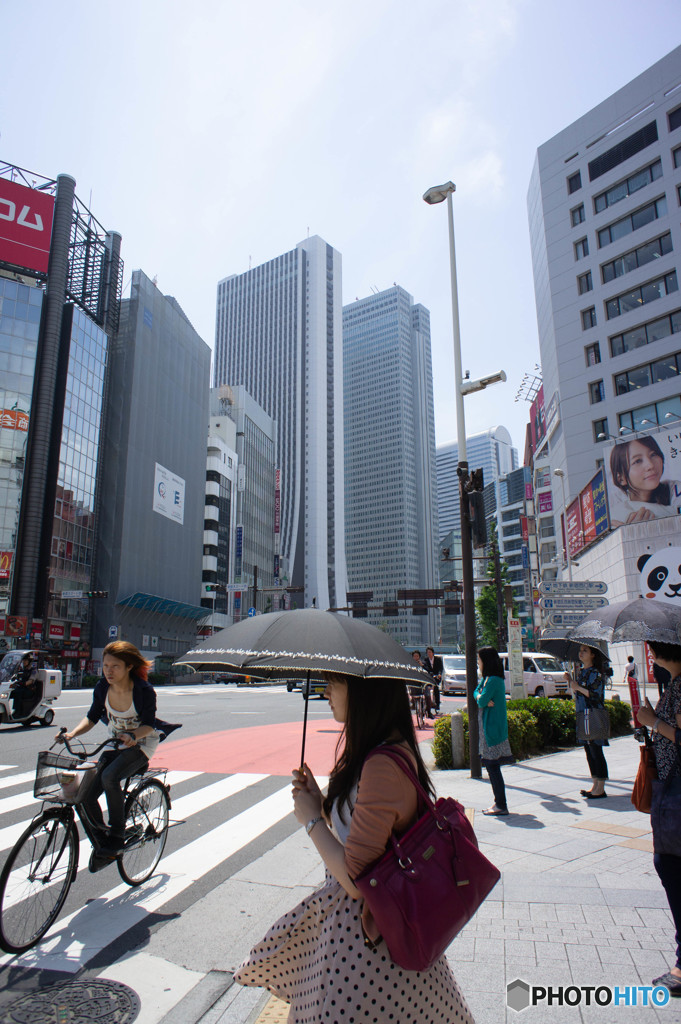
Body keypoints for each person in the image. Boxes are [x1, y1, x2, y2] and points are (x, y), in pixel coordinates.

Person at [234, 674, 474, 1022]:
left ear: (365, 691)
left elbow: (356, 878)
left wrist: (312, 822)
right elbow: (365, 837)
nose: (326, 692)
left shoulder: (380, 764)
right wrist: (320, 806)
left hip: (364, 944)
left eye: (335, 683)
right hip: (382, 932)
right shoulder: (385, 749)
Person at [56, 641, 161, 854]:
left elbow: (149, 725)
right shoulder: (102, 687)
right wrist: (72, 734)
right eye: (105, 666)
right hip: (115, 744)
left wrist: (133, 735)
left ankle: (116, 835)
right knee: (84, 795)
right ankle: (102, 838)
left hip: (141, 745)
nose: (108, 671)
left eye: (115, 666)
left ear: (129, 666)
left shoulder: (143, 691)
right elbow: (92, 716)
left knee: (109, 777)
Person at [635, 641, 681, 998]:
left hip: (677, 793)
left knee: (670, 865)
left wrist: (653, 722)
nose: (651, 654)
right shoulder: (675, 685)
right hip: (670, 787)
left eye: (655, 650)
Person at [565, 644, 609, 799]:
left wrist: (577, 686)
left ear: (593, 655)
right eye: (580, 650)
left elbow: (596, 695)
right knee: (588, 750)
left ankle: (601, 787)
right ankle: (595, 783)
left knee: (596, 750)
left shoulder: (595, 673)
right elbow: (578, 690)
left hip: (594, 714)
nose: (581, 653)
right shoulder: (582, 672)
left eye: (585, 651)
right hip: (582, 714)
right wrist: (571, 681)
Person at [608, 436, 681, 527]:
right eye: (637, 461)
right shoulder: (614, 500)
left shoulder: (675, 488)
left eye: (653, 455)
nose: (650, 465)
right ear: (621, 479)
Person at [474, 646, 513, 816]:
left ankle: (501, 804)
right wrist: (480, 696)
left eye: (479, 660)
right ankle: (499, 803)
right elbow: (477, 693)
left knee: (492, 766)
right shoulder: (488, 679)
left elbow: (482, 701)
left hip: (492, 731)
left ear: (486, 662)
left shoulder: (494, 680)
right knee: (491, 767)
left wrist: (481, 697)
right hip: (487, 729)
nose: (478, 663)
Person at [10, 654, 38, 719]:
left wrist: (23, 683)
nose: (24, 662)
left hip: (29, 690)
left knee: (18, 693)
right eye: (23, 660)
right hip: (21, 688)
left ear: (29, 661)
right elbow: (14, 677)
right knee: (10, 692)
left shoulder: (33, 671)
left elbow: (30, 681)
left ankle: (18, 711)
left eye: (26, 660)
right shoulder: (21, 670)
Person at [423, 645, 443, 713]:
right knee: (426, 688)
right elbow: (425, 667)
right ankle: (427, 704)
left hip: (436, 676)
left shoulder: (438, 659)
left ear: (433, 653)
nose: (429, 653)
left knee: (436, 688)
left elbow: (441, 668)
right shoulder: (426, 660)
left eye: (430, 652)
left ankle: (437, 704)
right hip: (429, 676)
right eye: (427, 652)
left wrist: (439, 674)